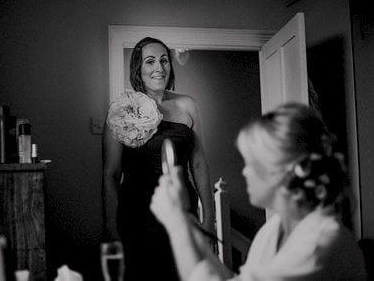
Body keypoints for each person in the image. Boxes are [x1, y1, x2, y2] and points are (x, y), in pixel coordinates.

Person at [151, 103, 366, 280]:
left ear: (283, 172)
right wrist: (188, 223)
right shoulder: (273, 230)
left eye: (252, 163)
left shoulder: (319, 246)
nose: (244, 172)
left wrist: (176, 224)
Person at [102, 37, 213, 280]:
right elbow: (111, 174)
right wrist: (112, 229)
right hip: (137, 215)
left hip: (184, 209)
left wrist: (209, 218)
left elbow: (198, 163)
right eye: (150, 61)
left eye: (164, 60)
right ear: (138, 69)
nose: (159, 68)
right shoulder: (122, 110)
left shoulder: (188, 105)